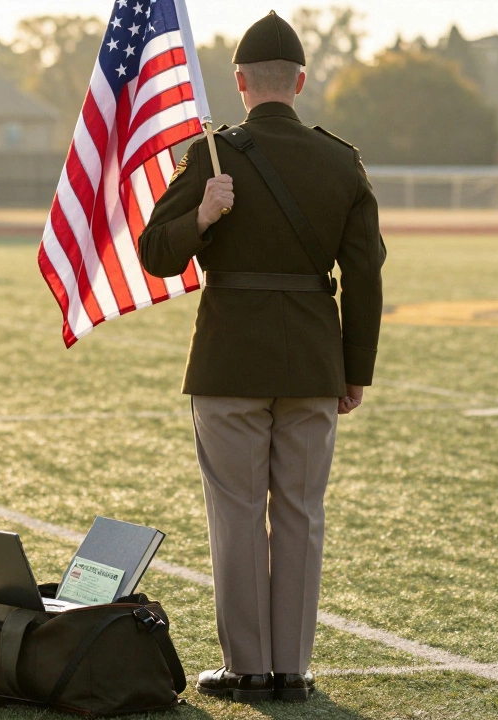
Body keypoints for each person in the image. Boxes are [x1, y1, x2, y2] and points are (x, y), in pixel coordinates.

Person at [138, 11, 384, 704]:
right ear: (300, 82)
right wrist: (355, 368)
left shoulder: (216, 155)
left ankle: (248, 669)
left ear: (240, 82)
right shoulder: (341, 161)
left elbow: (155, 251)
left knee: (239, 515)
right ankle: (293, 671)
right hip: (312, 362)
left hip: (229, 363)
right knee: (302, 514)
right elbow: (365, 275)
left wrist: (203, 217)